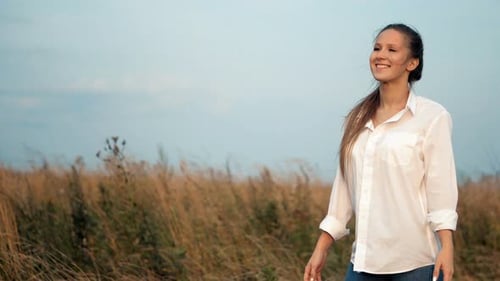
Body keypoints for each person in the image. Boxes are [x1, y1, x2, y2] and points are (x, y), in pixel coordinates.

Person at [303, 23, 458, 281]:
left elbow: (440, 187)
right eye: (377, 48)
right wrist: (321, 247)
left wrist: (447, 246)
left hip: (415, 265)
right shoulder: (357, 118)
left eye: (392, 49)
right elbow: (344, 188)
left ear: (411, 63)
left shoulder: (432, 117)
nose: (380, 55)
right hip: (363, 263)